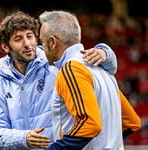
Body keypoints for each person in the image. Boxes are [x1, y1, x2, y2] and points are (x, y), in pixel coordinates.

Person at [0, 11, 119, 150]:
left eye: (30, 36)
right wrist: (23, 138)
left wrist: (105, 53)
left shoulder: (58, 67)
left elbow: (93, 64)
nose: (27, 44)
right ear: (5, 46)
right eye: (18, 39)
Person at [39, 10, 141, 150]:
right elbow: (132, 122)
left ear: (53, 42)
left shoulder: (70, 69)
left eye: (42, 42)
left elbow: (90, 123)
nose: (42, 48)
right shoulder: (103, 69)